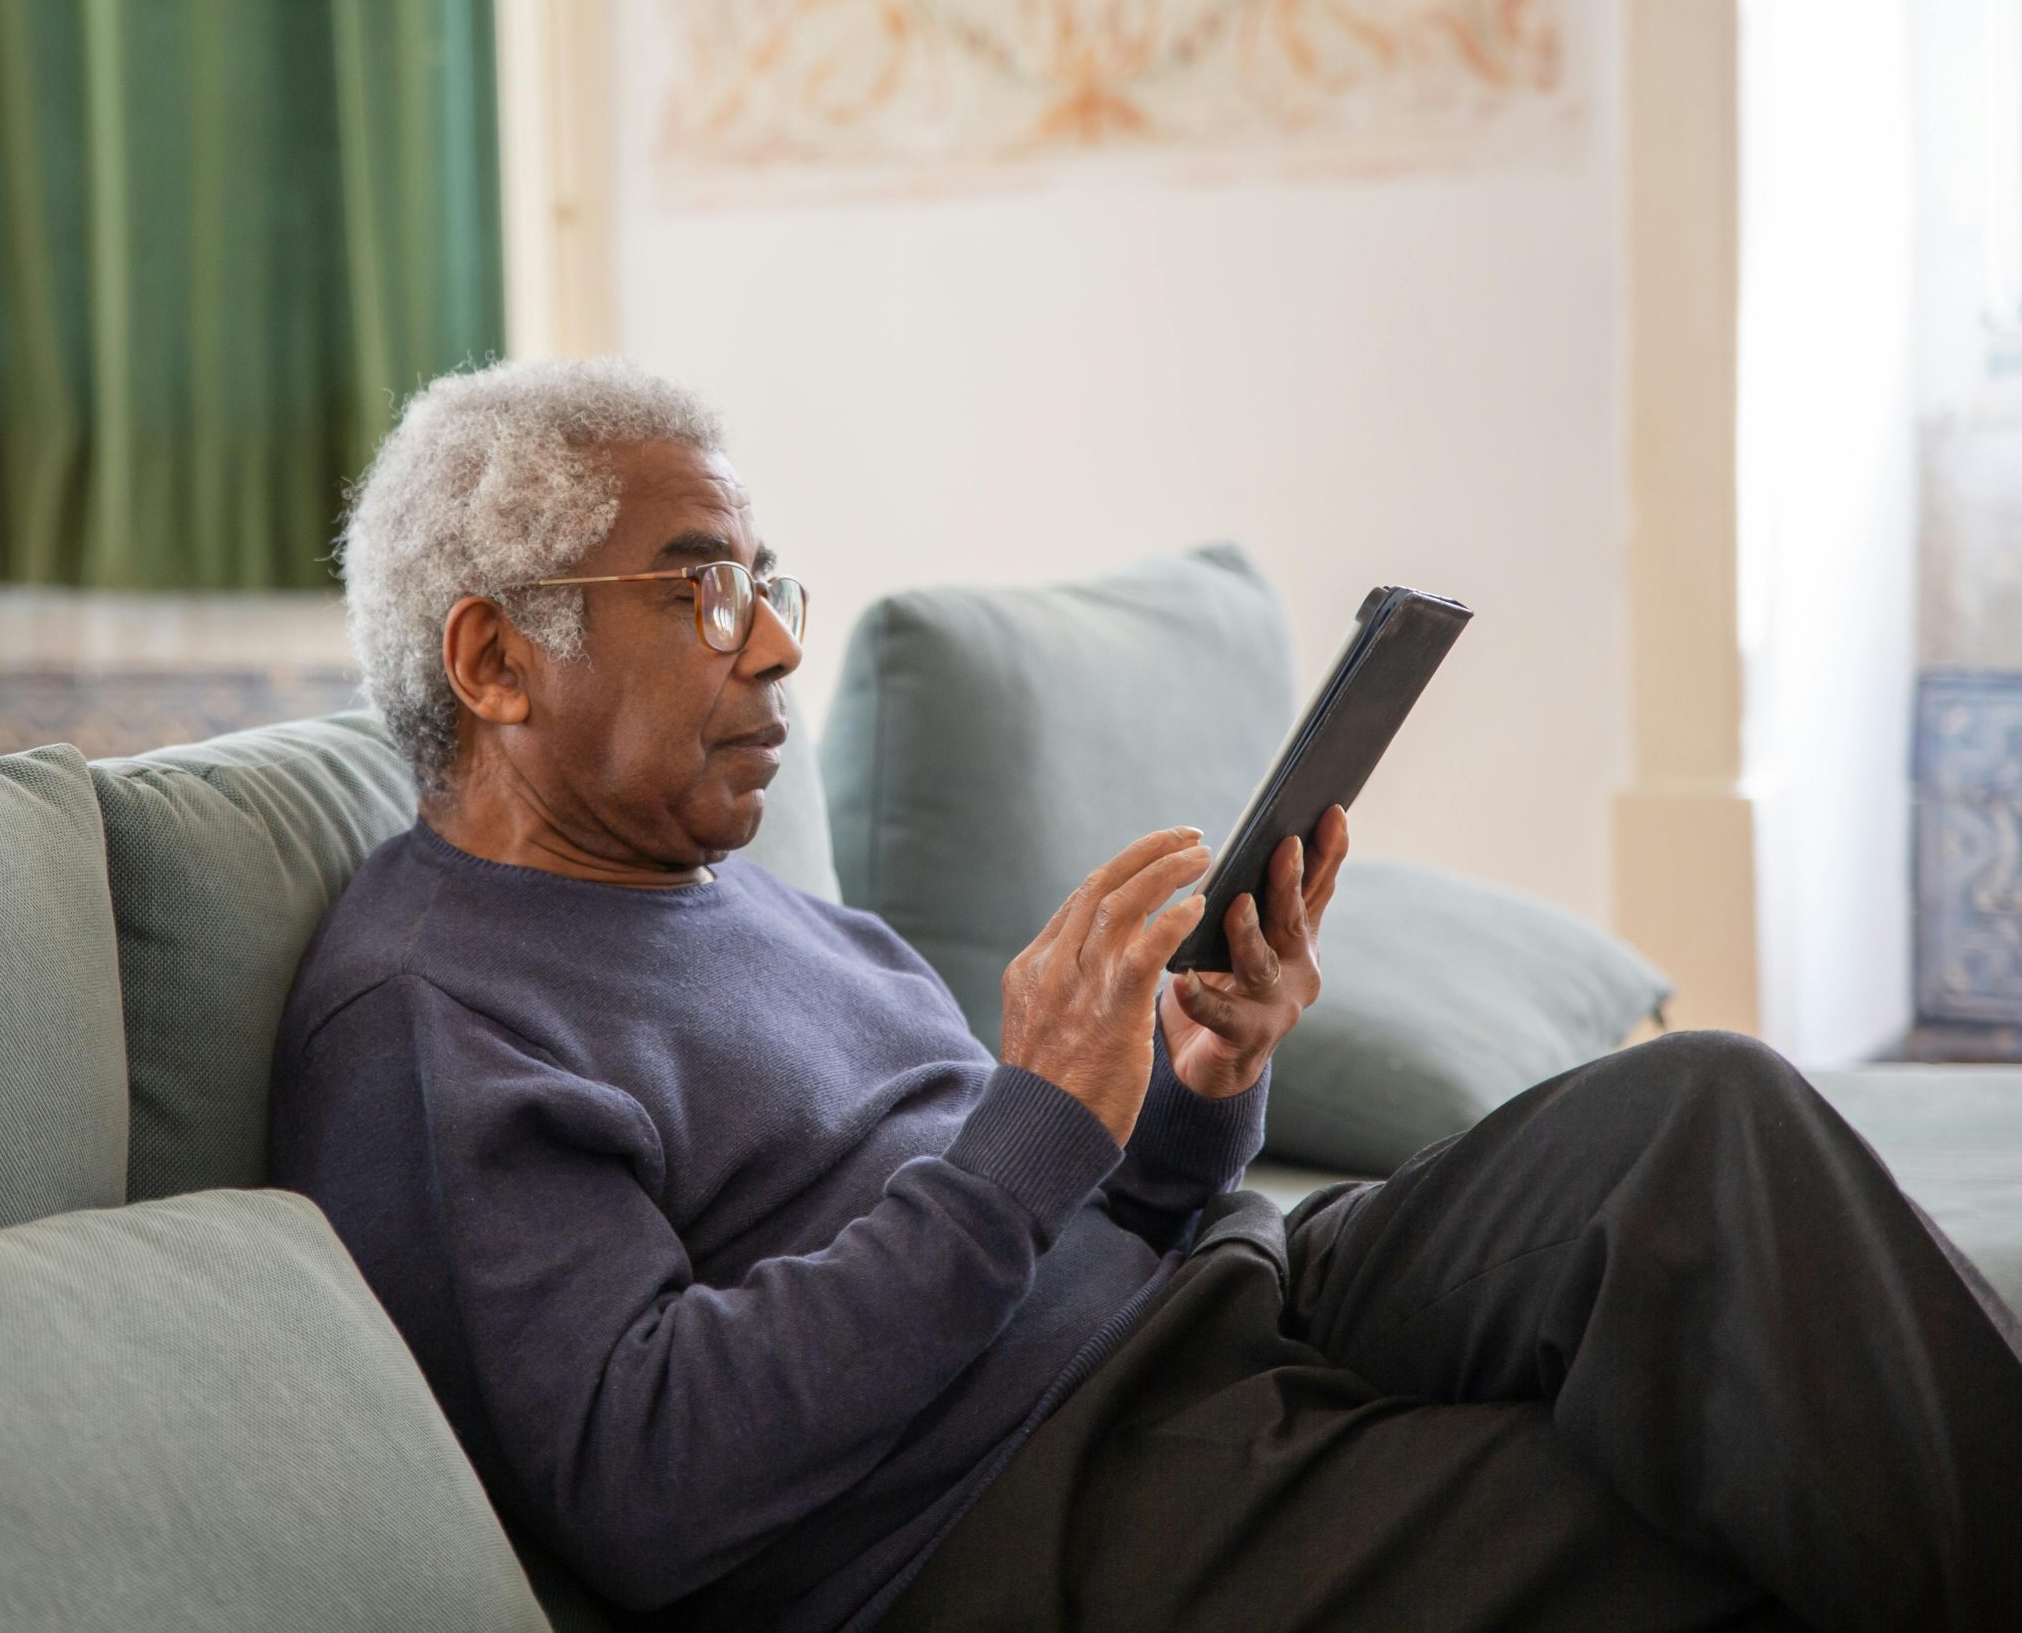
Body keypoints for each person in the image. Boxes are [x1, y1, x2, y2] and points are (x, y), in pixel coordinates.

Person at [268, 359, 2022, 1633]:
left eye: (764, 580)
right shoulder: (434, 1013)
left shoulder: (771, 914)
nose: (777, 640)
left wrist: (1192, 1092)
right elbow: (648, 1486)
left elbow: (1068, 1216)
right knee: (1705, 1527)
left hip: (1226, 1294)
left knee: (1699, 1115)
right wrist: (1027, 1127)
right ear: (494, 655)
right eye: (700, 585)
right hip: (1032, 1503)